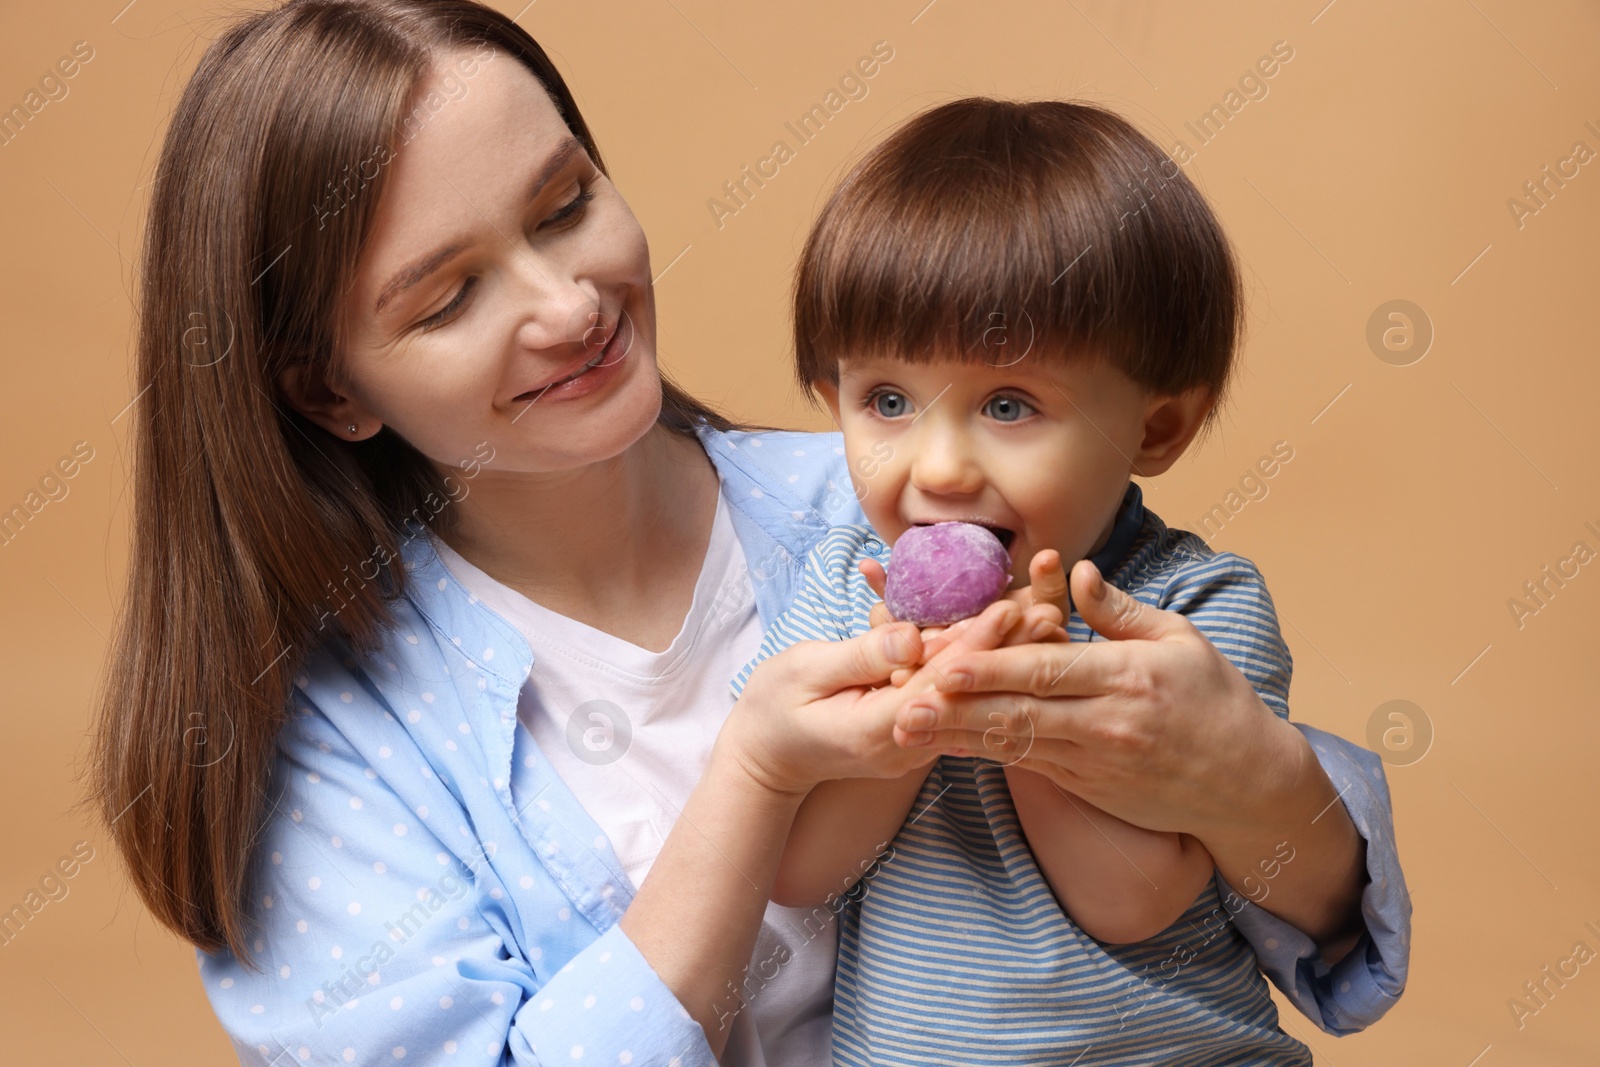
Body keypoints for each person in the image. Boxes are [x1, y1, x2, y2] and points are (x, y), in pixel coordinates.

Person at [86, 3, 1407, 1065]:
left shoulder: (908, 496)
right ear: (328, 387)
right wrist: (753, 775)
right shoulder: (325, 754)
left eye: (562, 206)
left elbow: (1301, 924)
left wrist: (1266, 788)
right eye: (449, 296)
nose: (569, 302)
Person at [732, 97, 1410, 1065]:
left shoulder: (1188, 610)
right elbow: (801, 865)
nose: (937, 468)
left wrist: (1024, 699)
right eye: (886, 399)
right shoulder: (847, 591)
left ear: (1155, 426)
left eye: (1008, 404)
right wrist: (915, 700)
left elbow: (1133, 897)